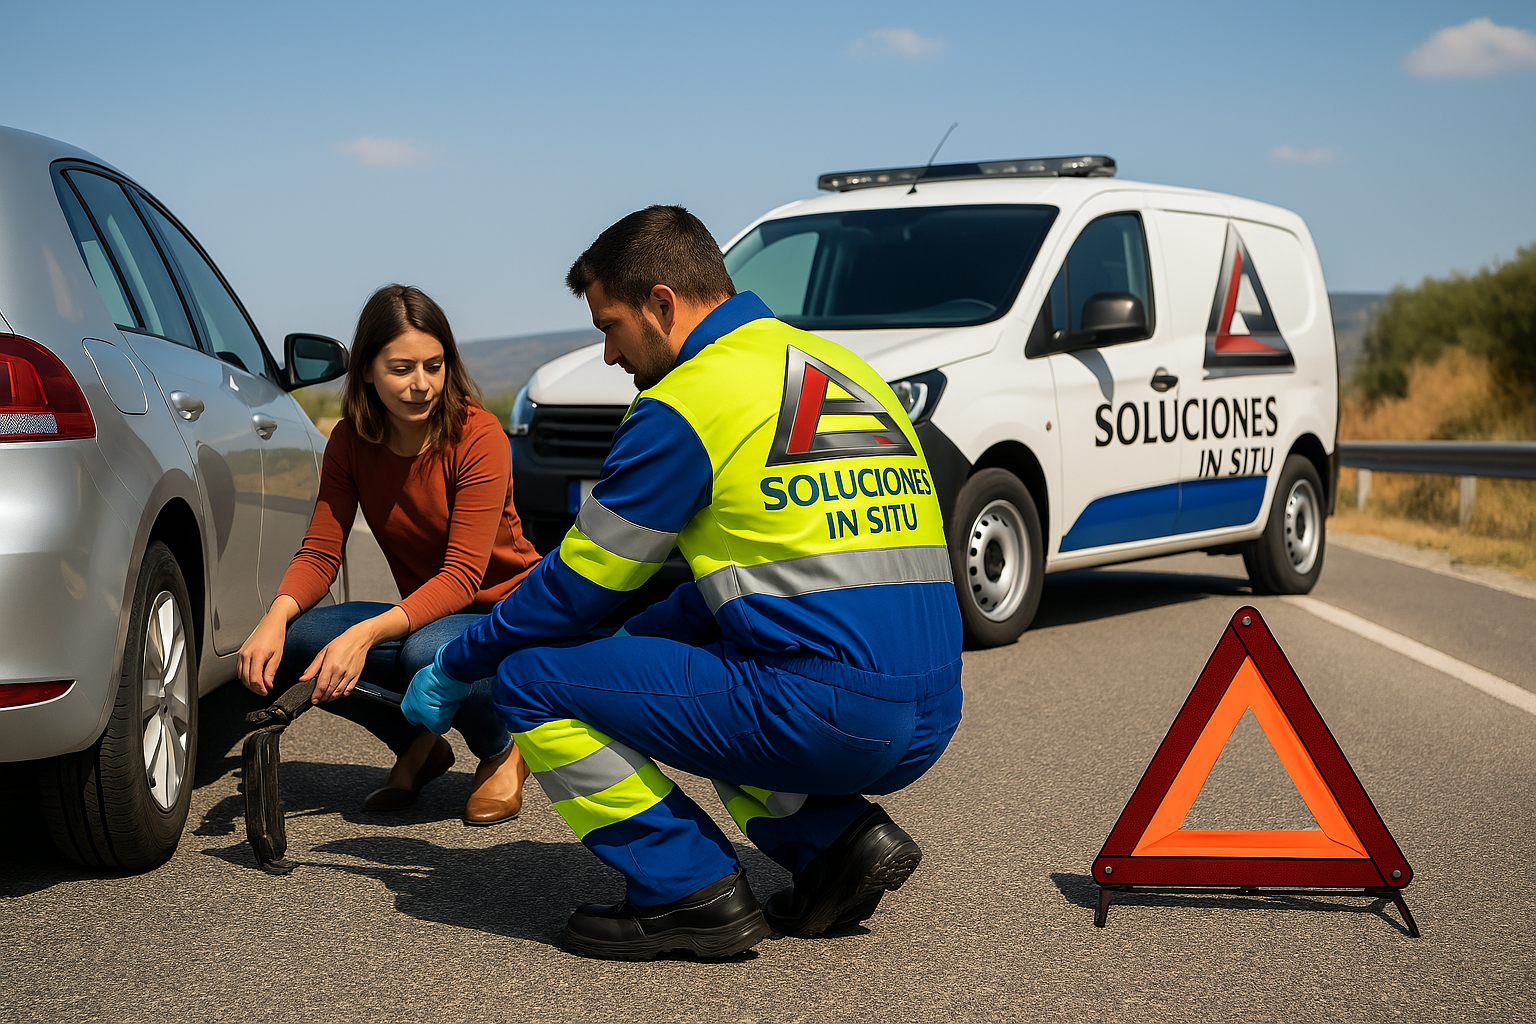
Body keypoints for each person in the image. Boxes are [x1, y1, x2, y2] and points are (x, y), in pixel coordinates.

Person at [404, 207, 964, 959]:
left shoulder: (687, 401)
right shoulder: (845, 369)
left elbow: (576, 588)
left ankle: (688, 892)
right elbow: (746, 587)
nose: (607, 354)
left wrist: (458, 661)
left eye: (611, 325)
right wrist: (638, 649)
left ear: (663, 305)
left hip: (830, 714)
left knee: (530, 681)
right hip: (930, 712)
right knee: (701, 674)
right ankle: (837, 841)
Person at [239, 284, 541, 825]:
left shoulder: (479, 434)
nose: (421, 385)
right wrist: (273, 618)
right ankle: (418, 744)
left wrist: (363, 635)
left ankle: (502, 748)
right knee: (294, 642)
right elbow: (320, 552)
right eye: (402, 368)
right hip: (432, 613)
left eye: (434, 364)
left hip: (505, 611)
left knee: (422, 653)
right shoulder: (351, 442)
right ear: (368, 372)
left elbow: (464, 577)